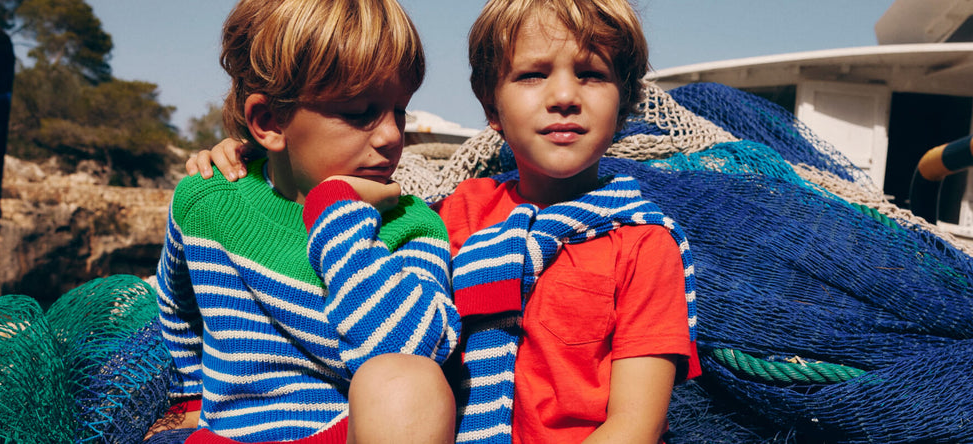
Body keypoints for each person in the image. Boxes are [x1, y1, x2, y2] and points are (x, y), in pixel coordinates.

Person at [188, 0, 699, 441]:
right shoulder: (459, 213)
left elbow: (635, 425)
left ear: (625, 100)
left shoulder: (644, 245)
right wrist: (247, 158)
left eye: (591, 74)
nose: (565, 96)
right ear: (490, 107)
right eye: (533, 74)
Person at [156, 0, 460, 443]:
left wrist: (336, 213)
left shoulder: (411, 223)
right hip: (226, 436)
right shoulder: (206, 199)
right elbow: (177, 306)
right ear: (269, 122)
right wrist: (189, 400)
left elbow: (414, 355)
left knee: (408, 383)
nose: (393, 135)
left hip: (349, 432)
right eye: (359, 113)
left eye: (399, 110)